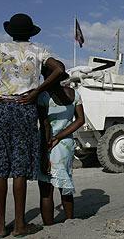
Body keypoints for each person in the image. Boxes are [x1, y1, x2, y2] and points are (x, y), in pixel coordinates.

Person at [0, 13, 63, 238]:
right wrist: (37, 91)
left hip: (2, 108)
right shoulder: (39, 52)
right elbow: (59, 69)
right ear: (30, 32)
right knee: (20, 168)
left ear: (11, 32)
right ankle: (20, 225)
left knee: (1, 169)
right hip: (25, 108)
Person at [38, 60, 85, 226]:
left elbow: (44, 125)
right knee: (65, 185)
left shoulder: (43, 96)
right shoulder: (74, 94)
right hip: (66, 146)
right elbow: (80, 120)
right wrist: (61, 136)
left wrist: (45, 150)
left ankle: (49, 227)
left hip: (48, 144)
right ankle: (70, 223)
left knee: (46, 190)